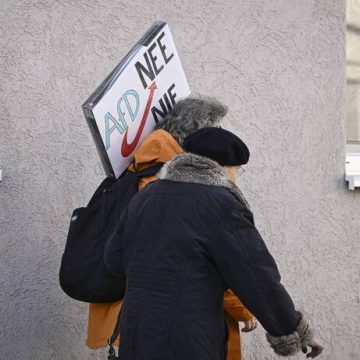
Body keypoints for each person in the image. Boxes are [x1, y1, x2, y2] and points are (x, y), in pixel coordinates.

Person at [104, 127, 324, 359]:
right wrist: (294, 330)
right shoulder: (222, 205)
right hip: (188, 340)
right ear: (224, 168)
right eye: (238, 169)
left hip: (137, 334)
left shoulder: (147, 196)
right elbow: (257, 278)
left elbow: (113, 260)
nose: (237, 176)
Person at [86, 98, 257, 359]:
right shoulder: (170, 187)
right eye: (216, 131)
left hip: (150, 322)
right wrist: (245, 308)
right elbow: (201, 264)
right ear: (198, 138)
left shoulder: (147, 172)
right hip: (170, 327)